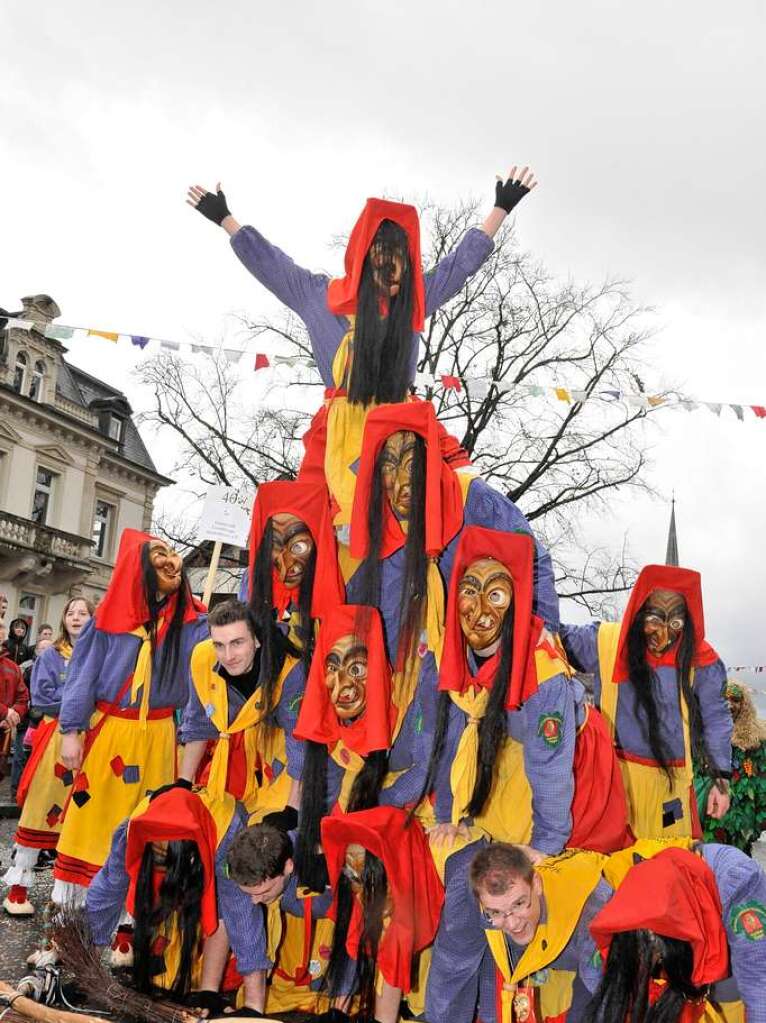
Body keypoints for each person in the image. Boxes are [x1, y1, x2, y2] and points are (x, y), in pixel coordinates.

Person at [187, 169, 536, 534]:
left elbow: (459, 266)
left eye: (403, 258)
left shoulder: (412, 304)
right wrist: (226, 219)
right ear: (363, 256)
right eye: (383, 255)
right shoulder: (319, 297)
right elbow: (271, 264)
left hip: (402, 431)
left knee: (464, 500)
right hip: (339, 436)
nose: (394, 268)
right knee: (308, 529)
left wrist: (500, 209)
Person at [419, 526, 630, 856]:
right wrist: (450, 815)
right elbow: (453, 738)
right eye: (469, 591)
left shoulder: (543, 673)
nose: (480, 610)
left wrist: (543, 847)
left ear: (515, 603)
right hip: (508, 751)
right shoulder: (451, 655)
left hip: (573, 769)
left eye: (496, 596)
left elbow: (550, 766)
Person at [52, 529, 207, 907]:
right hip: (110, 737)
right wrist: (71, 731)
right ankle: (70, 921)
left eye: (173, 552)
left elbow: (203, 684)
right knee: (92, 822)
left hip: (160, 738)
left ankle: (129, 927)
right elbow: (82, 677)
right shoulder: (106, 621)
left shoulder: (193, 625)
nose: (172, 560)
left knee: (147, 826)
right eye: (160, 554)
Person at [560, 565, 732, 840]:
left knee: (667, 868)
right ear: (639, 613)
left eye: (675, 623)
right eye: (654, 618)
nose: (663, 634)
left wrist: (720, 779)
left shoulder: (700, 660)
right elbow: (553, 636)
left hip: (669, 789)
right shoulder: (605, 642)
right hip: (610, 781)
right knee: (610, 869)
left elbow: (716, 718)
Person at [87, 785, 267, 1014]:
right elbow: (105, 893)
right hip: (170, 859)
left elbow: (241, 916)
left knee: (228, 905)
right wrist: (88, 962)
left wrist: (253, 1006)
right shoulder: (132, 832)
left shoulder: (229, 835)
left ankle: (208, 991)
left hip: (217, 841)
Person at [426, 842, 611, 1023]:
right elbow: (451, 970)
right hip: (513, 952)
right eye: (495, 912)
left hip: (600, 944)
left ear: (536, 884)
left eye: (519, 904)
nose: (513, 924)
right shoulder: (473, 893)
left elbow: (597, 1003)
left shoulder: (592, 918)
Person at [586, 843, 766, 1022]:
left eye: (655, 959)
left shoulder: (739, 883)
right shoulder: (622, 892)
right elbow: (607, 979)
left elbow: (758, 984)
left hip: (740, 968)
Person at [292, 604, 397, 891]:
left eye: (357, 668)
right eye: (332, 667)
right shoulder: (324, 733)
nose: (342, 684)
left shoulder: (402, 711)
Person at [2, 598, 93, 918]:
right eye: (71, 613)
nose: (76, 618)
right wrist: (79, 703)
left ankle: (67, 899)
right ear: (63, 619)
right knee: (41, 810)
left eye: (83, 613)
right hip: (55, 741)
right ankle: (18, 889)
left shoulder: (100, 656)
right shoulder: (52, 656)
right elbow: (41, 697)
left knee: (80, 818)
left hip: (91, 744)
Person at [179, 599, 305, 821]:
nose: (228, 656)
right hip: (235, 749)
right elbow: (199, 724)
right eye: (219, 644)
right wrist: (182, 784)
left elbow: (300, 744)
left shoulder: (290, 670)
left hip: (280, 748)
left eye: (237, 643)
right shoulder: (202, 658)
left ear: (257, 640)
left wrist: (293, 809)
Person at [319, 806, 444, 1023]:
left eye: (361, 881)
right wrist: (338, 1012)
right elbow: (350, 938)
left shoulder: (413, 885)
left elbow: (393, 960)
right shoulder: (355, 880)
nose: (359, 893)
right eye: (351, 877)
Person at [225, 822, 334, 1017]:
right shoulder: (245, 864)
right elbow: (244, 932)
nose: (255, 900)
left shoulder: (325, 869)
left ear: (288, 866)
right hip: (289, 971)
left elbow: (356, 925)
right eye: (249, 893)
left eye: (263, 892)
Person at [698, 681, 766, 856]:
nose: (729, 705)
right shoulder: (702, 735)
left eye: (735, 700)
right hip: (712, 811)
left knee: (738, 858)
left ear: (744, 705)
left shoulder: (757, 740)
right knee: (710, 858)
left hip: (742, 813)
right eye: (724, 700)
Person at [0, 622, 29, 788]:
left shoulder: (12, 667)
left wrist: (12, 716)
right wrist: (5, 713)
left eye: (1, 627)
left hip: (2, 735)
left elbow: (23, 697)